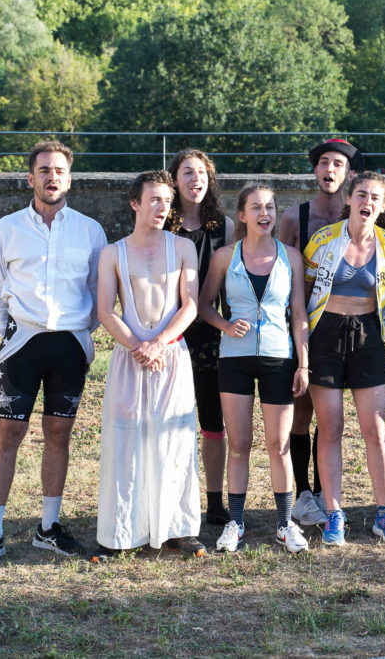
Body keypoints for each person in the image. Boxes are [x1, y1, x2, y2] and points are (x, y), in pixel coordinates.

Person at [0, 141, 107, 567]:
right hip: (21, 347)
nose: (52, 177)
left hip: (69, 347)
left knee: (58, 435)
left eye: (60, 171)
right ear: (31, 178)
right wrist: (14, 332)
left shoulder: (90, 230)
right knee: (7, 435)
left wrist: (80, 338)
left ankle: (48, 528)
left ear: (69, 179)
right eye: (45, 170)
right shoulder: (5, 228)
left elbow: (96, 294)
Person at [93, 171, 204, 560]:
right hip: (130, 357)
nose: (162, 208)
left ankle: (178, 529)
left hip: (171, 356)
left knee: (174, 440)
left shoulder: (183, 248)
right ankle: (120, 531)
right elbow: (105, 310)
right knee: (124, 442)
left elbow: (190, 304)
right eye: (154, 200)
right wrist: (139, 346)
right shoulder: (113, 252)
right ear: (135, 203)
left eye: (167, 201)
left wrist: (159, 343)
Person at [199, 184, 311, 553]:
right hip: (234, 359)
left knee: (278, 445)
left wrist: (303, 363)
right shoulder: (224, 256)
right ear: (242, 215)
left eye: (270, 207)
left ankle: (284, 524)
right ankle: (235, 522)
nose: (265, 213)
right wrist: (226, 326)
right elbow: (204, 306)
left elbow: (299, 314)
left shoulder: (291, 256)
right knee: (240, 444)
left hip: (280, 358)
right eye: (256, 207)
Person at [303, 172, 385, 546]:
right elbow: (306, 292)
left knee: (375, 431)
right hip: (325, 335)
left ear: (384, 205)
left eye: (375, 198)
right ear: (348, 198)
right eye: (361, 194)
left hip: (368, 336)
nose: (367, 202)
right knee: (330, 427)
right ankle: (334, 514)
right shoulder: (322, 240)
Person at [278, 138, 362, 529]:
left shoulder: (360, 212)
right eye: (324, 163)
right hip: (305, 326)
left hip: (348, 328)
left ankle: (326, 492)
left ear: (348, 174)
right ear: (315, 171)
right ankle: (302, 493)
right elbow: (281, 275)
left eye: (338, 165)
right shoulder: (296, 217)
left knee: (331, 419)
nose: (330, 170)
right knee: (302, 411)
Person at [166, 149, 235, 527]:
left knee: (213, 422)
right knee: (171, 421)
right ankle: (172, 496)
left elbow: (230, 287)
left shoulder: (223, 226)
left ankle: (214, 501)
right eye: (187, 172)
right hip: (168, 335)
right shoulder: (161, 222)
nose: (195, 179)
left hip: (210, 336)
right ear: (174, 179)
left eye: (202, 173)